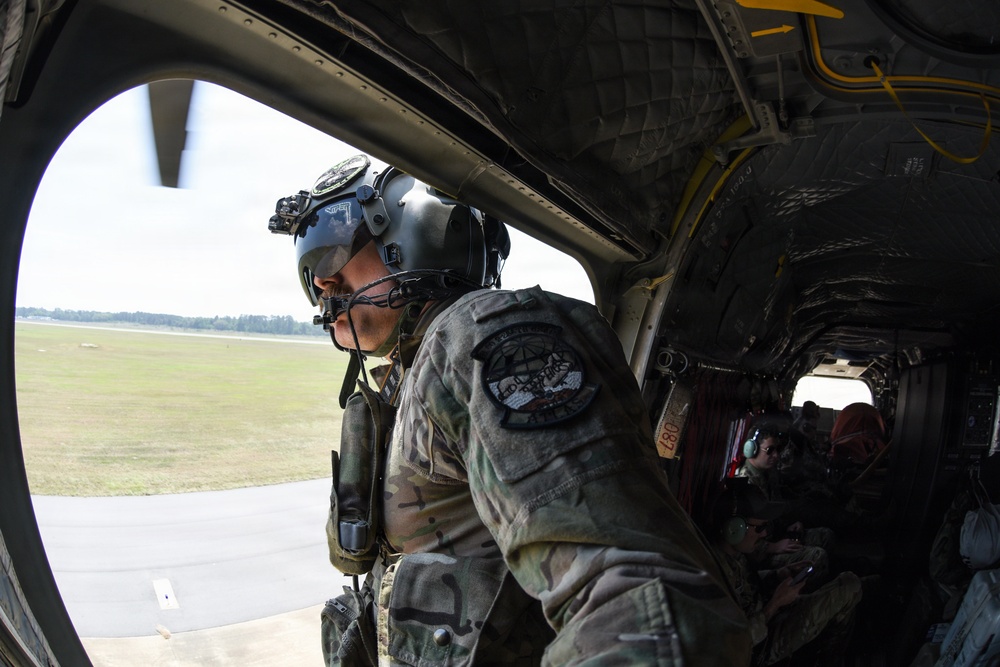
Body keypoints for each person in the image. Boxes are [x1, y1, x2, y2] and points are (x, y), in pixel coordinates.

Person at [268, 154, 752, 665]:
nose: (322, 284)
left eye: (331, 254)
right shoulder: (412, 370)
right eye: (310, 270)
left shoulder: (482, 338)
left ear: (416, 234)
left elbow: (641, 600)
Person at [708, 480, 862, 666]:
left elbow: (746, 588)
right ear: (735, 529)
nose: (764, 534)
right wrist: (774, 605)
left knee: (848, 582)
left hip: (768, 616)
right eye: (759, 528)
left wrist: (780, 574)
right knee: (849, 586)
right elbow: (734, 644)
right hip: (759, 648)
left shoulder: (735, 555)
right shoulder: (713, 575)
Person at [735, 422, 835, 582]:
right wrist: (773, 547)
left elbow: (773, 512)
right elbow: (742, 539)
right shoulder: (745, 484)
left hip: (776, 538)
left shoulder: (768, 474)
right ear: (751, 450)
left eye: (778, 449)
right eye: (770, 450)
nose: (776, 455)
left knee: (826, 535)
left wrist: (787, 526)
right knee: (817, 556)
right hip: (759, 554)